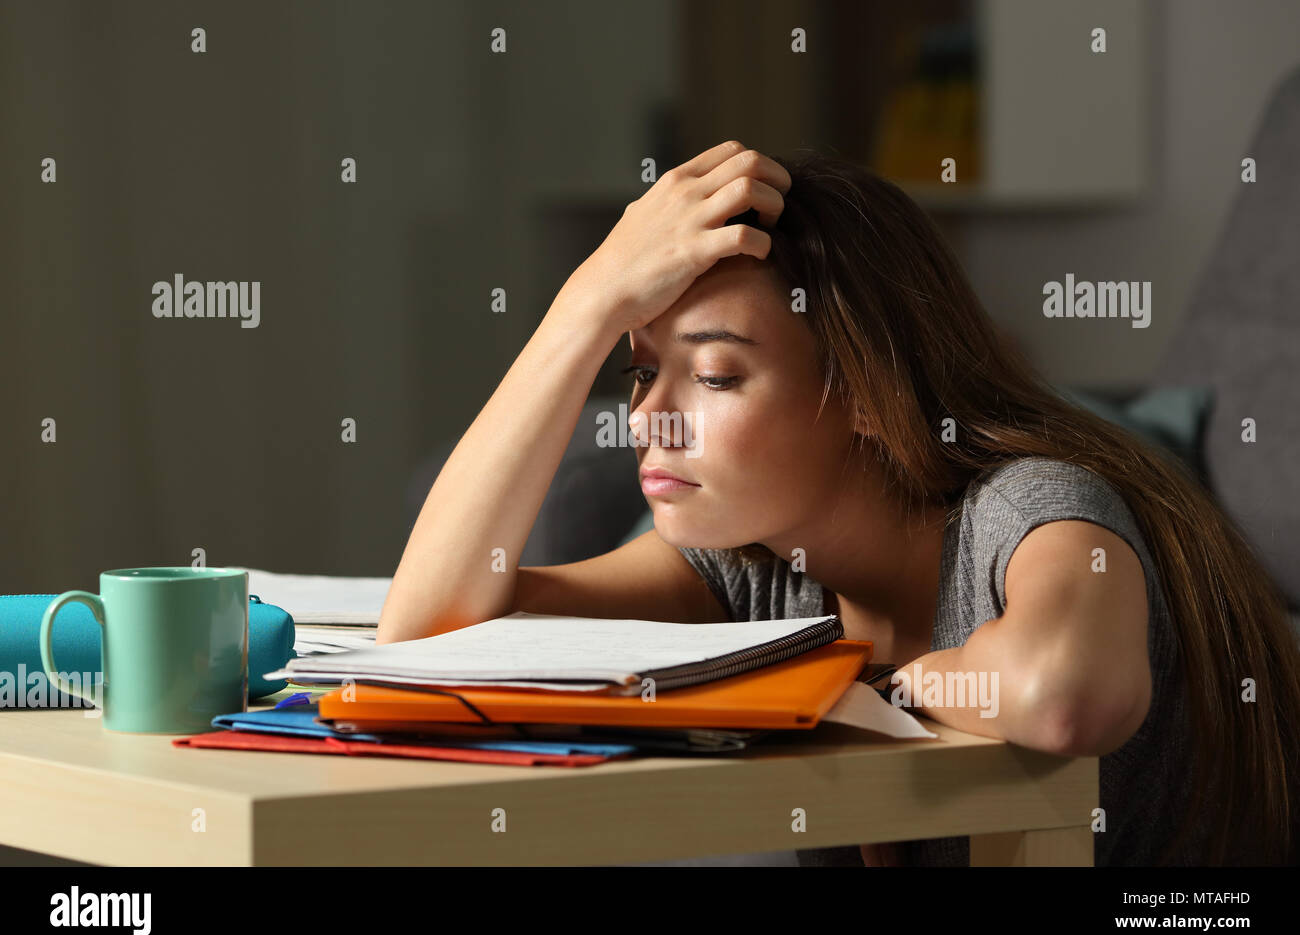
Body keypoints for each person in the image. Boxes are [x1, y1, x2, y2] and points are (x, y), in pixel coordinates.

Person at [377, 140, 1300, 866]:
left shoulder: (1032, 511)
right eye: (639, 370)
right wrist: (583, 305)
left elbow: (1064, 698)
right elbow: (428, 633)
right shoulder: (750, 564)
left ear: (864, 389)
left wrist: (870, 691)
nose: (647, 417)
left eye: (714, 374)